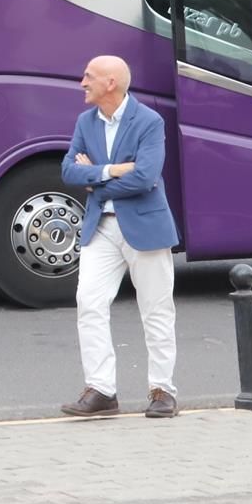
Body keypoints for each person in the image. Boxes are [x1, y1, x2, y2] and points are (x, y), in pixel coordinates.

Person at [58, 55, 181, 419]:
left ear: (110, 83)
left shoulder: (148, 121)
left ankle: (163, 390)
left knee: (156, 310)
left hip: (144, 226)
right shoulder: (85, 121)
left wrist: (95, 179)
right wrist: (112, 170)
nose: (82, 82)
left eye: (89, 77)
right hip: (101, 228)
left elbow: (145, 177)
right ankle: (101, 390)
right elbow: (67, 172)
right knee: (89, 303)